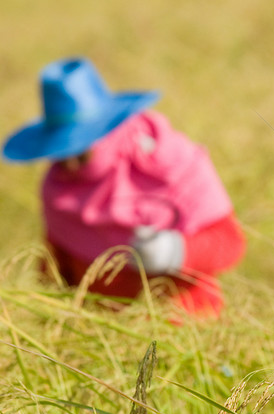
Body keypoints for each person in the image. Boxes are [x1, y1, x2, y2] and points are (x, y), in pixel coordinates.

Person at [2, 57, 245, 317]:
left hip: (187, 328)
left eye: (81, 154)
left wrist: (177, 251)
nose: (71, 166)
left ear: (106, 134)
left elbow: (231, 243)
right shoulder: (58, 189)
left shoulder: (172, 162)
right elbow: (55, 270)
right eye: (61, 156)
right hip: (105, 338)